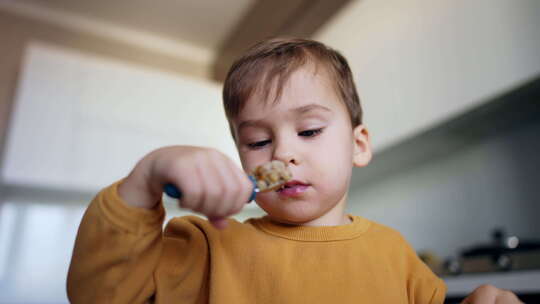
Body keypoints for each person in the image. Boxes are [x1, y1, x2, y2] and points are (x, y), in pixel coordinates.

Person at [67, 38, 522, 303]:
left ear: (358, 145)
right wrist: (147, 176)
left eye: (308, 131)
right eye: (258, 141)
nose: (282, 154)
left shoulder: (398, 257)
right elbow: (101, 293)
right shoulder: (206, 245)